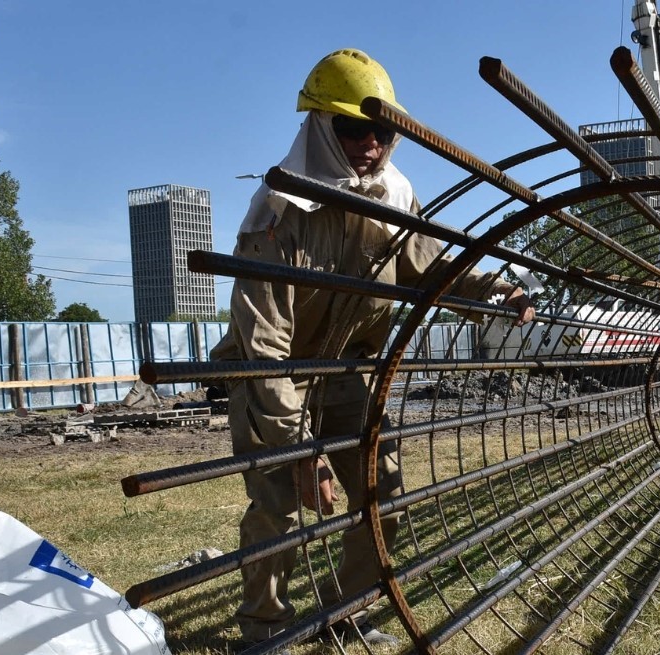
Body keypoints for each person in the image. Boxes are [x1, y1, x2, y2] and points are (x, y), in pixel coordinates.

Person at [209, 48, 534, 649]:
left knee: (382, 494)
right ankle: (264, 629)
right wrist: (301, 450)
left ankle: (347, 613)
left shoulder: (394, 197)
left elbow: (431, 270)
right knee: (279, 506)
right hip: (272, 375)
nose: (370, 144)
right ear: (319, 126)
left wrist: (497, 290)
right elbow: (264, 343)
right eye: (351, 128)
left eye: (381, 132)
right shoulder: (280, 211)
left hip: (347, 371)